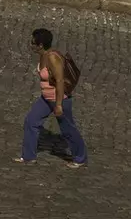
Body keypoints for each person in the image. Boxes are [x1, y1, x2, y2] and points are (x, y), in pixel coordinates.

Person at [15, 27, 87, 167]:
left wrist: (59, 105)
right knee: (31, 121)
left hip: (58, 99)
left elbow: (59, 81)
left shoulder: (53, 58)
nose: (31, 45)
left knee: (68, 129)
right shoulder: (43, 55)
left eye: (32, 42)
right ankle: (29, 157)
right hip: (46, 98)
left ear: (40, 45)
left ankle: (80, 158)